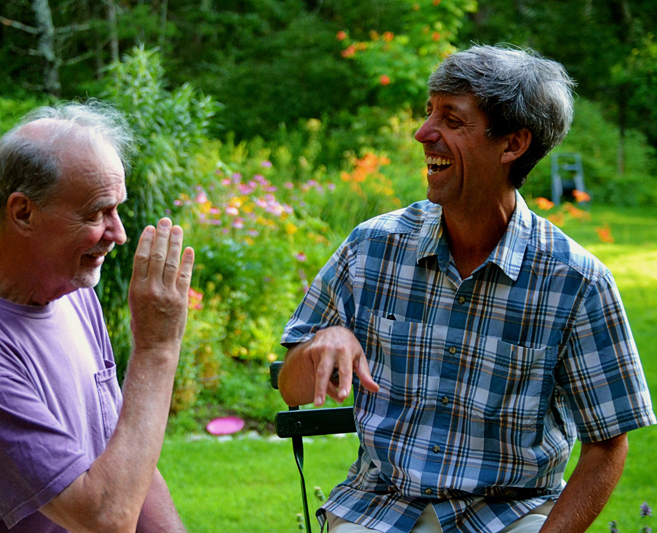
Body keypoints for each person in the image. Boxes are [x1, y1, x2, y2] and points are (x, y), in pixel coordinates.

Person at [278, 45, 655, 533]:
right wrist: (319, 345)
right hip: (380, 509)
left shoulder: (576, 282)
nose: (423, 133)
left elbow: (608, 445)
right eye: (428, 112)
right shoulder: (371, 248)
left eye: (452, 120)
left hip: (513, 513)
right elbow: (291, 388)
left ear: (512, 145)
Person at [0, 101, 194, 532]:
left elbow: (130, 462)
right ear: (22, 212)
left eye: (117, 210)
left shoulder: (71, 293)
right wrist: (157, 347)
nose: (118, 234)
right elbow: (104, 520)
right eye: (97, 212)